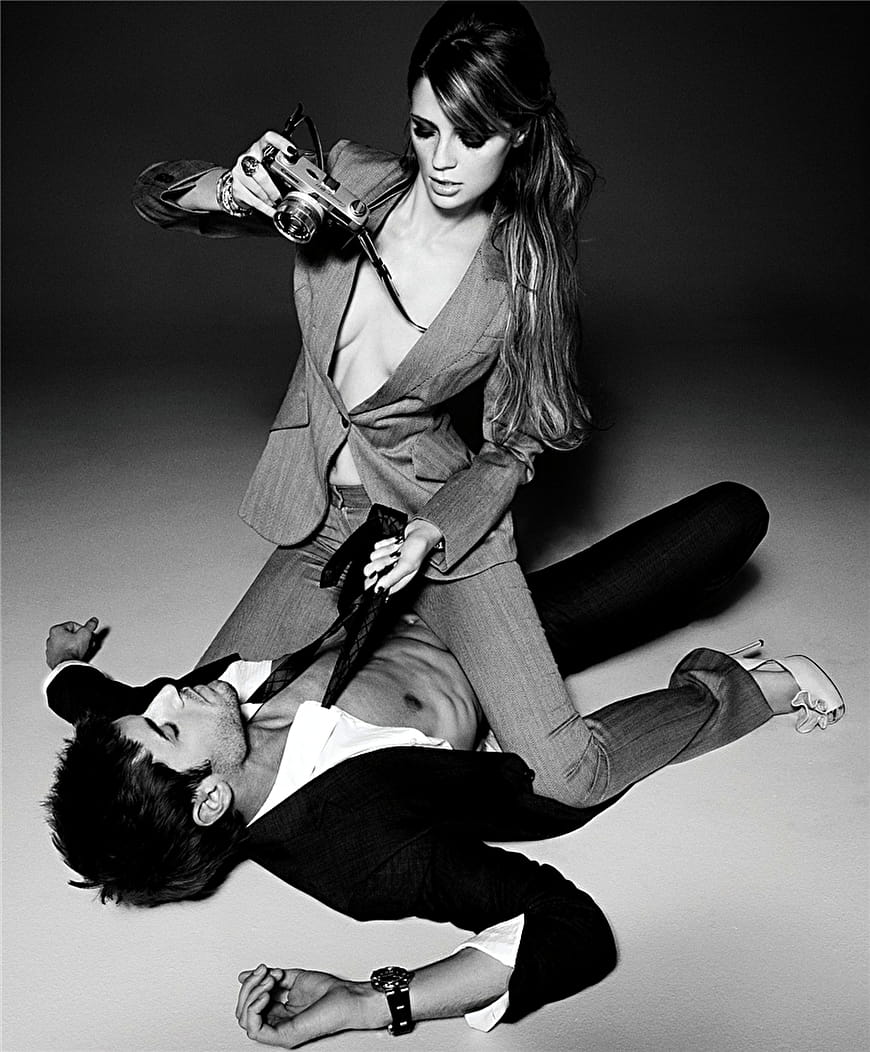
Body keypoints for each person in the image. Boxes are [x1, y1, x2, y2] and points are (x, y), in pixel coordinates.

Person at [131, 0, 777, 810]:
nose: (441, 160)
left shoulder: (521, 277)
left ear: (520, 133)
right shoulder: (348, 183)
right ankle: (432, 641)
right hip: (319, 514)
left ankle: (750, 686)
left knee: (567, 777)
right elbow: (157, 196)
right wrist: (230, 189)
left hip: (433, 520)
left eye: (473, 136)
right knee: (203, 741)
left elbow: (516, 446)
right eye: (425, 128)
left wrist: (432, 533)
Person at [44, 556, 844, 1046]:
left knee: (726, 528)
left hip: (448, 606)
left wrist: (63, 667)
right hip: (513, 693)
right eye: (162, 724)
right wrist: (369, 1004)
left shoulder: (186, 717)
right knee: (579, 770)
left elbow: (96, 701)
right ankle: (744, 688)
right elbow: (569, 931)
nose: (167, 694)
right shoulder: (357, 857)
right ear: (211, 798)